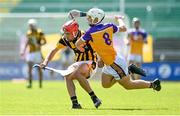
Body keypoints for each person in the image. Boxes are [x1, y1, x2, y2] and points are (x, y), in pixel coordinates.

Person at [75, 8, 161, 92]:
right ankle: (128, 70)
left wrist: (80, 48)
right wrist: (119, 19)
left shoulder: (90, 32)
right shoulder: (109, 26)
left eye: (90, 18)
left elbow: (77, 43)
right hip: (110, 60)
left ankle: (152, 84)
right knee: (105, 84)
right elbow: (123, 28)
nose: (88, 20)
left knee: (128, 85)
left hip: (114, 63)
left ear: (96, 19)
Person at [39, 20, 101, 109]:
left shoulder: (86, 35)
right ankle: (75, 103)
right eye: (64, 33)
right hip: (78, 62)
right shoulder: (65, 39)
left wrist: (102, 59)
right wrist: (45, 62)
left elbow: (99, 46)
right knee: (67, 75)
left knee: (78, 73)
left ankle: (94, 98)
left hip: (91, 61)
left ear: (75, 32)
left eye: (68, 33)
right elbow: (54, 50)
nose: (65, 35)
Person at [21, 19, 46, 88]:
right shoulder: (28, 33)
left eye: (31, 25)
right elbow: (27, 42)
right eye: (29, 25)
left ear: (34, 25)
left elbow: (45, 41)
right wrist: (23, 50)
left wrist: (40, 44)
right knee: (29, 68)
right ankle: (30, 83)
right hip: (30, 53)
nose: (30, 27)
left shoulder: (40, 32)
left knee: (39, 69)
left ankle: (40, 84)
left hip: (37, 52)